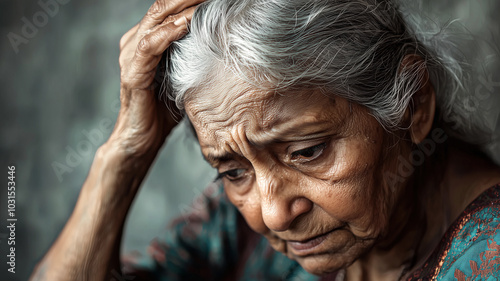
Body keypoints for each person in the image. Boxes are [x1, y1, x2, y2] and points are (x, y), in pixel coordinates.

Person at [31, 0, 500, 280]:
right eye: (232, 171)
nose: (272, 213)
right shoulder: (235, 225)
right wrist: (125, 154)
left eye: (308, 152)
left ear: (414, 105)